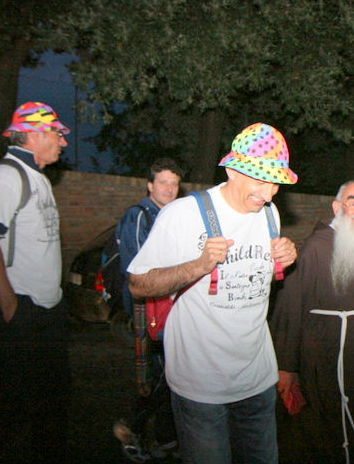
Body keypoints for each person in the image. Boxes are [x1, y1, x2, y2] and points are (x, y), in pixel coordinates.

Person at [127, 123, 299, 464]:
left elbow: (255, 280)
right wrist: (198, 265)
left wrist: (285, 258)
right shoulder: (183, 215)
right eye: (260, 181)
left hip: (258, 380)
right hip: (200, 387)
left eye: (275, 184)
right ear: (233, 170)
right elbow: (137, 284)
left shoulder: (269, 213)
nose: (267, 194)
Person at [271, 180, 354, 464]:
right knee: (334, 434)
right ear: (337, 207)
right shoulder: (316, 248)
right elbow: (290, 304)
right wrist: (286, 366)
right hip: (333, 360)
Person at [0, 102, 72, 461]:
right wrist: (11, 307)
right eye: (57, 134)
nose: (62, 142)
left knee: (53, 395)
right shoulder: (4, 177)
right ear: (33, 135)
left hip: (46, 310)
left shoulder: (37, 178)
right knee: (14, 398)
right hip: (20, 309)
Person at [112, 158, 184, 461]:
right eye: (163, 182)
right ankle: (132, 428)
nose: (169, 188)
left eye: (174, 183)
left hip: (169, 304)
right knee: (156, 376)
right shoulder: (139, 215)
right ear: (150, 185)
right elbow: (139, 268)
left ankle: (165, 439)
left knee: (172, 371)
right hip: (148, 305)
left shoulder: (173, 215)